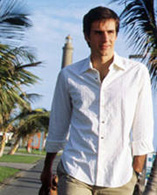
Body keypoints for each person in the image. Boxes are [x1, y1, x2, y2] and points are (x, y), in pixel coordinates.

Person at [40, 6, 154, 195]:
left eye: (110, 32)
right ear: (87, 36)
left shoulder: (136, 73)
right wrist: (47, 167)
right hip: (76, 172)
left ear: (116, 34)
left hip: (119, 177)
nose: (105, 39)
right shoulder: (69, 75)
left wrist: (137, 171)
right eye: (98, 33)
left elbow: (143, 127)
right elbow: (58, 125)